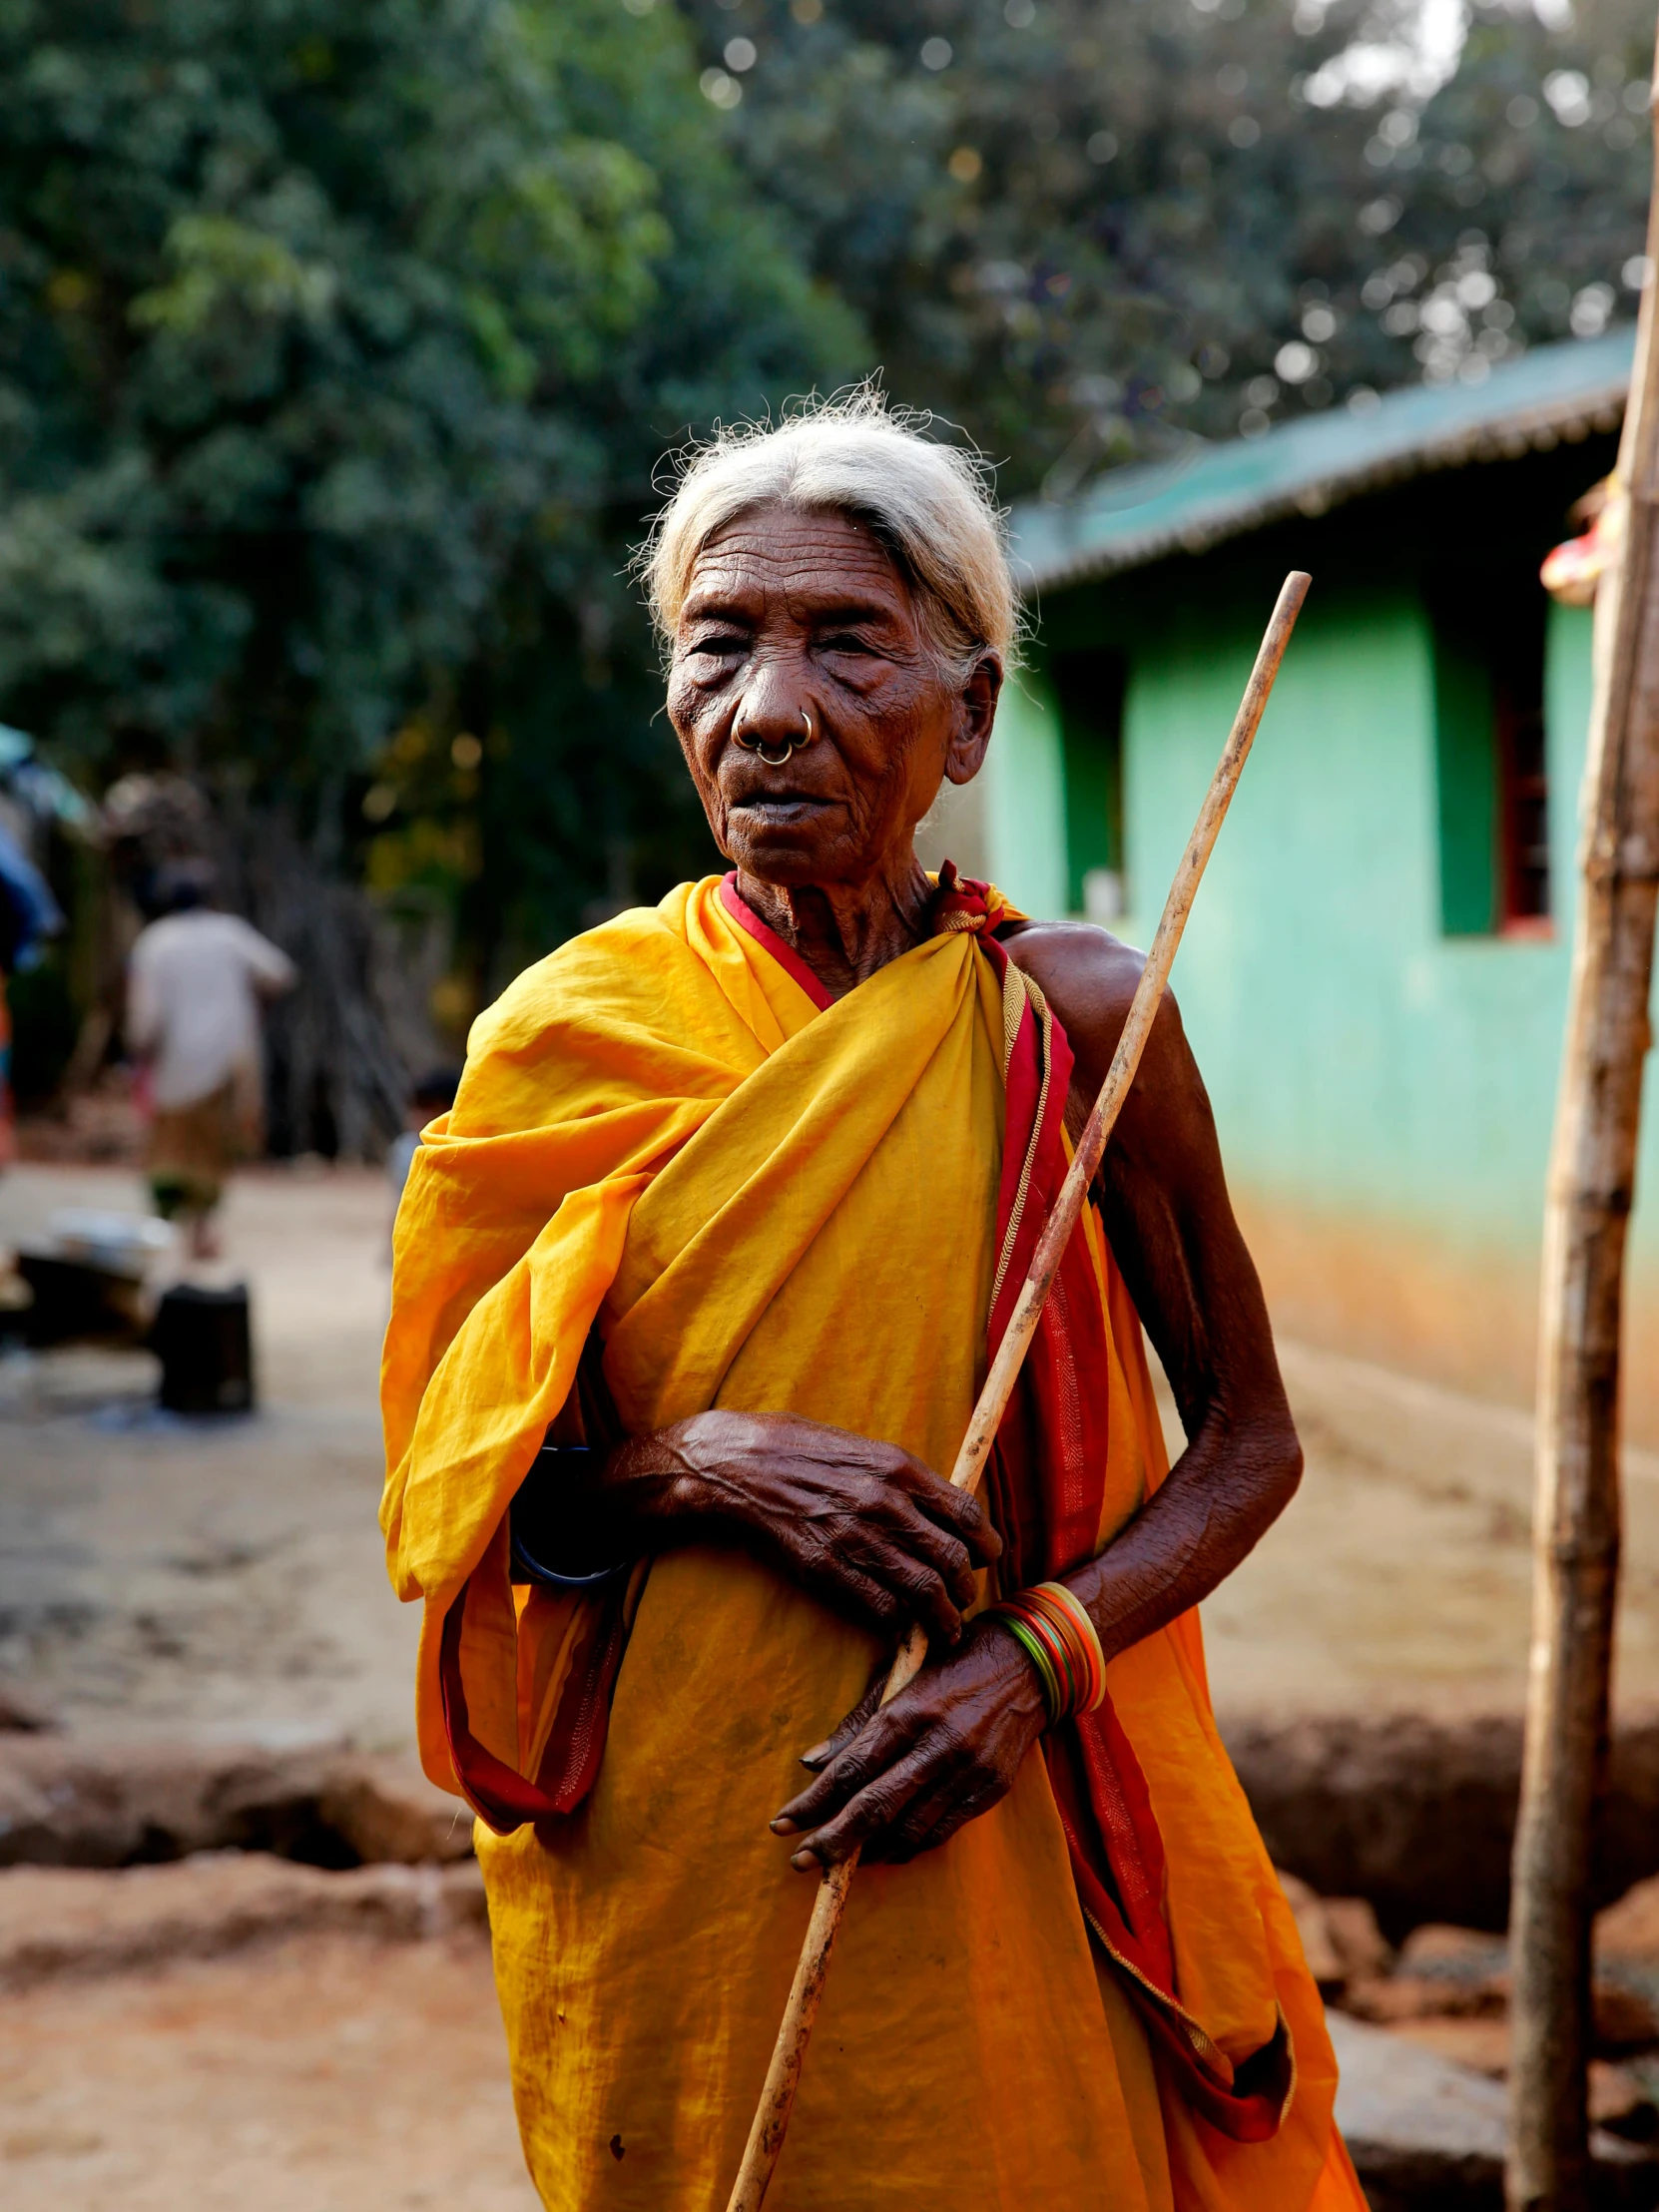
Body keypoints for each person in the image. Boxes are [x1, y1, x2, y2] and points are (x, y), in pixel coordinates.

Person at [381, 393, 1369, 2211]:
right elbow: (469, 1502)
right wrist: (703, 1465)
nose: (772, 708)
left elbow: (1247, 1443)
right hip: (677, 1852)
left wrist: (1028, 1666)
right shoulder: (564, 1040)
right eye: (719, 646)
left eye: (848, 643)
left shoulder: (1081, 1022)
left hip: (1004, 1818)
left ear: (969, 710)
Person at [126, 865, 295, 1258]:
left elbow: (145, 1015)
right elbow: (280, 973)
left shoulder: (155, 942)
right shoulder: (230, 934)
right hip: (226, 1059)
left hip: (173, 1064)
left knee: (169, 1148)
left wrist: (138, 1051)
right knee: (212, 1148)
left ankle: (168, 1232)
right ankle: (202, 1230)